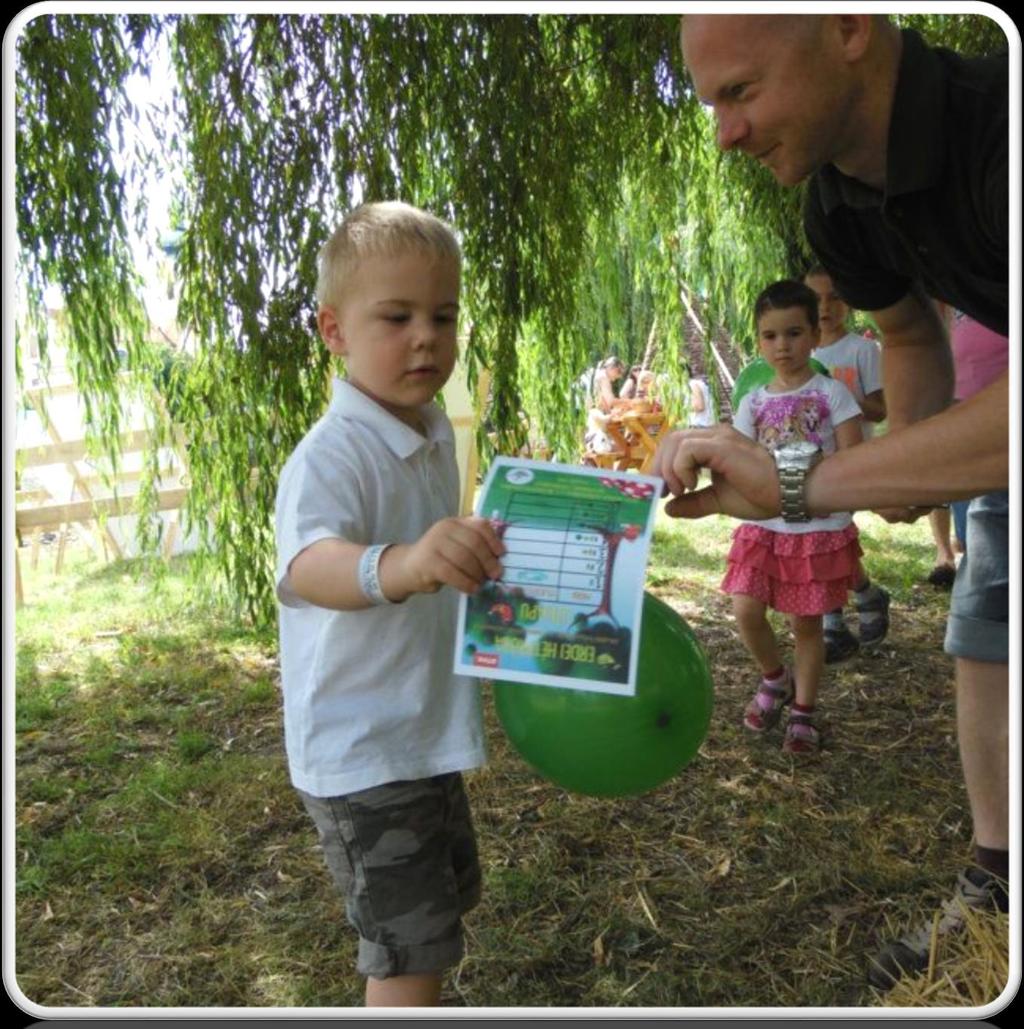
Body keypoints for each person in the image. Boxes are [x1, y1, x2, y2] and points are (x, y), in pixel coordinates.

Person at [663, 15, 1008, 989]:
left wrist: (814, 481)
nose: (723, 131)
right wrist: (912, 458)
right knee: (985, 621)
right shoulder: (838, 210)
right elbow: (905, 333)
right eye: (710, 102)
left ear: (849, 27)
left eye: (740, 92)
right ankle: (998, 881)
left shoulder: (1000, 128)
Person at [274, 201, 506, 1007]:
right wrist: (403, 563)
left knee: (438, 911)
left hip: (419, 729)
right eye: (397, 316)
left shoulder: (431, 426)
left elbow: (433, 553)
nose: (426, 337)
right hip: (362, 745)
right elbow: (310, 564)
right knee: (406, 947)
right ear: (333, 330)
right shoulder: (332, 453)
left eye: (443, 315)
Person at [724, 281, 865, 756]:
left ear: (814, 335)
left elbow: (852, 459)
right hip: (762, 526)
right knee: (746, 609)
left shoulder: (834, 394)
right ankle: (773, 678)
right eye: (769, 335)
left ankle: (803, 712)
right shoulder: (752, 402)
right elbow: (739, 460)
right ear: (758, 340)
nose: (781, 345)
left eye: (793, 332)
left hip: (815, 529)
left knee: (808, 625)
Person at [804, 266, 891, 659]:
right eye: (816, 299)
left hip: (848, 460)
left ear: (848, 301)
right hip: (806, 464)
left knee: (827, 536)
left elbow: (879, 409)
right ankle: (866, 595)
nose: (825, 307)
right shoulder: (801, 351)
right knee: (823, 538)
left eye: (834, 296)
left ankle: (833, 626)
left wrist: (841, 395)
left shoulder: (862, 350)